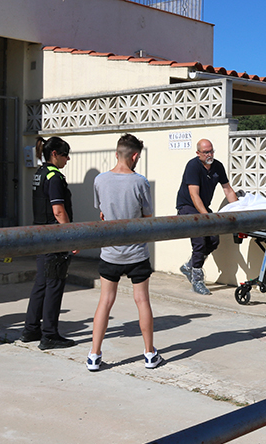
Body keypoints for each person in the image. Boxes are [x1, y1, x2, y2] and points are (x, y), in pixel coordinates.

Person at [87, 134, 162, 371]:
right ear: (135, 156)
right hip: (137, 252)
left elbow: (101, 213)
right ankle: (150, 353)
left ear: (116, 153)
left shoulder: (99, 180)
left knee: (105, 302)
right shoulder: (140, 182)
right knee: (142, 301)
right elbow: (147, 216)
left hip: (110, 252)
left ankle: (94, 355)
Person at [20, 136, 77, 350]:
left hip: (41, 235)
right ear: (55, 154)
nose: (68, 159)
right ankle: (50, 334)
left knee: (42, 284)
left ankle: (31, 329)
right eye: (65, 155)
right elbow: (58, 210)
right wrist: (71, 236)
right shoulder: (54, 177)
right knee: (54, 285)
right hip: (55, 237)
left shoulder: (40, 173)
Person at [176, 138, 239, 295]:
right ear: (198, 153)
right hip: (188, 207)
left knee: (213, 240)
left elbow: (228, 190)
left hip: (202, 208)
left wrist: (239, 209)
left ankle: (189, 266)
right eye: (206, 152)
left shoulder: (217, 166)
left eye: (211, 151)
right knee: (200, 241)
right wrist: (206, 216)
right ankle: (197, 279)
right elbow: (193, 194)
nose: (210, 154)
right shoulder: (193, 166)